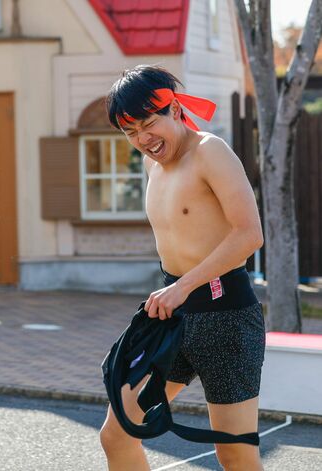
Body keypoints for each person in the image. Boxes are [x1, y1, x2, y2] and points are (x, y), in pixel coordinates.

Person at [99, 66, 265, 471]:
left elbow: (249, 235)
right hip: (172, 318)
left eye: (148, 124)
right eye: (131, 132)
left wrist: (183, 286)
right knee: (117, 434)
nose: (143, 139)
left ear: (174, 109)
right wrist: (175, 291)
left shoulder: (211, 151)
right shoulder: (151, 165)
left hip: (226, 317)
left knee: (235, 453)